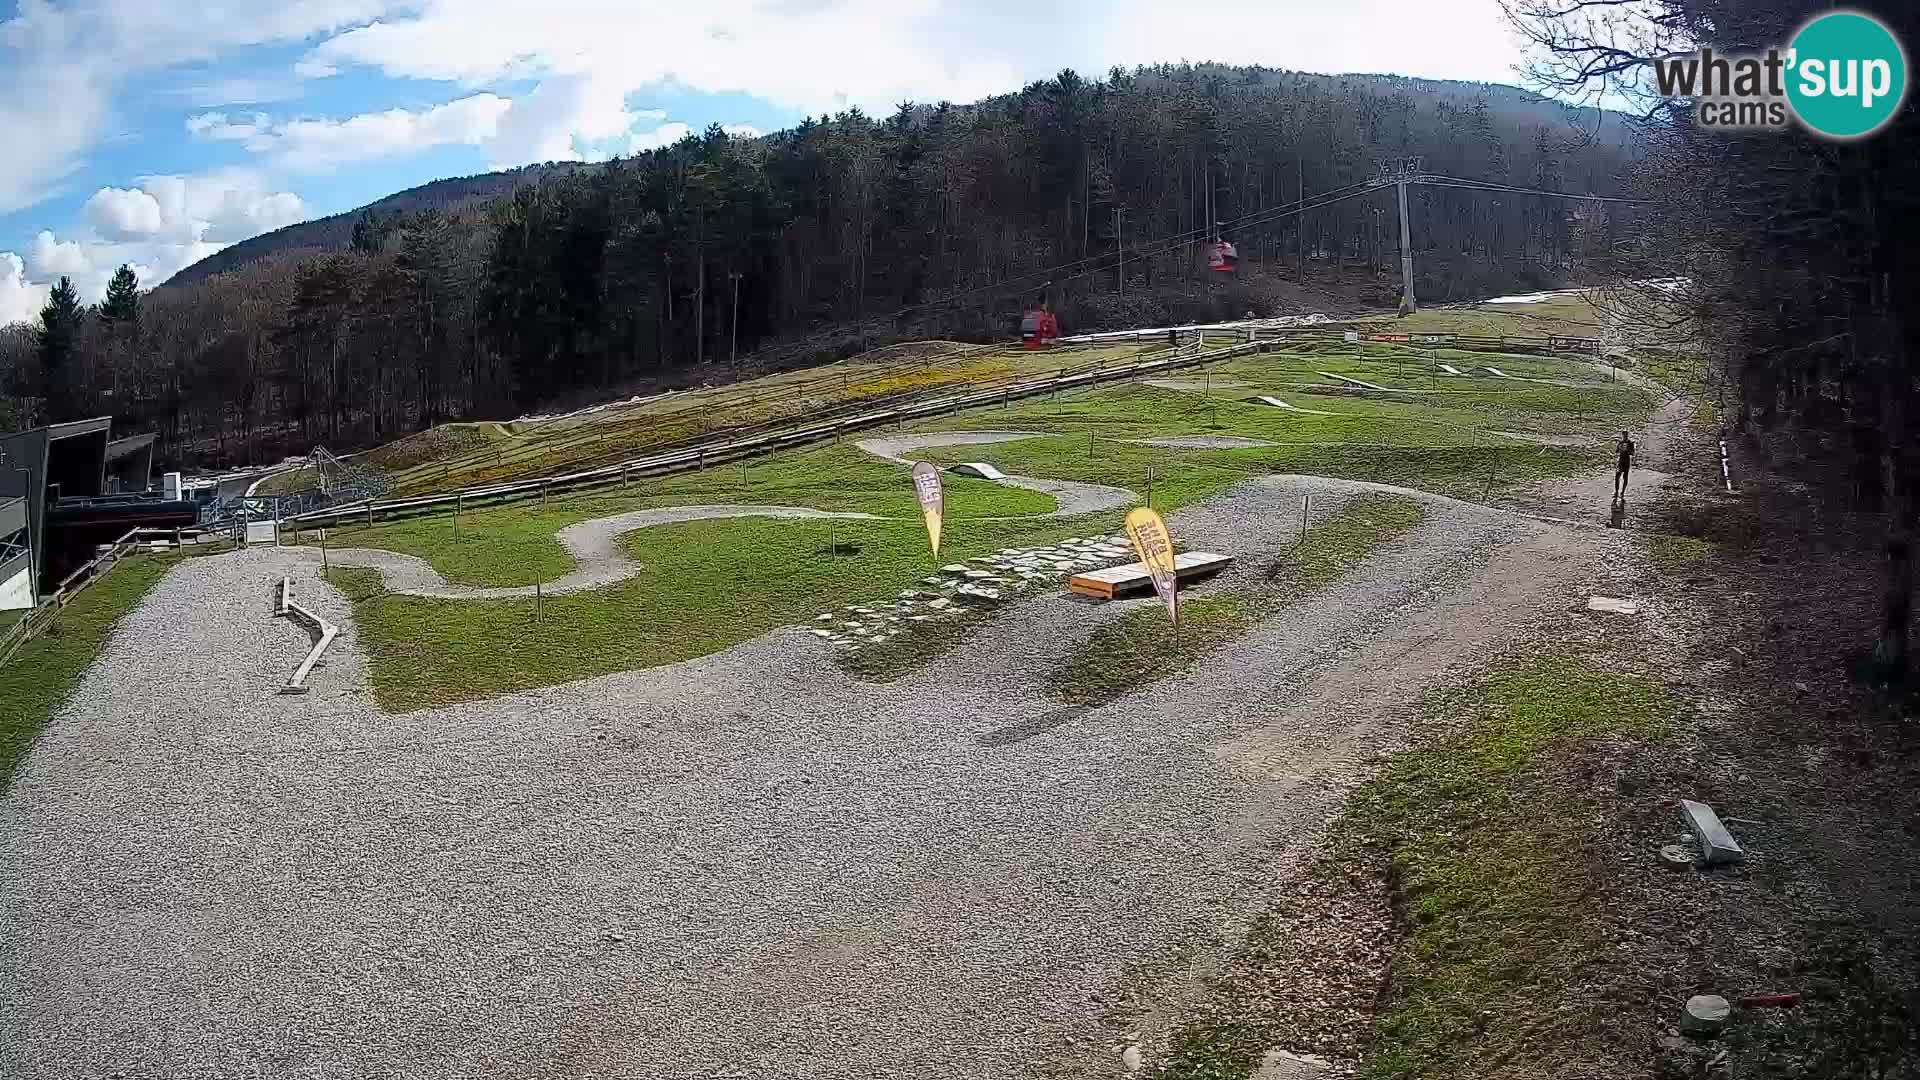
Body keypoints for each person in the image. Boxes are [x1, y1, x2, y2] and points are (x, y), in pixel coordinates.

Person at [1614, 430, 1635, 499]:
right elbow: (1616, 451)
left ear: (1627, 435)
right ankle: (1616, 491)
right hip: (1620, 461)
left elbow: (1632, 453)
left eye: (1625, 435)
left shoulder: (1630, 443)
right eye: (1623, 435)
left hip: (1626, 461)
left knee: (1625, 477)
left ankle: (1622, 492)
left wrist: (1628, 450)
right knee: (1617, 476)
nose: (1624, 437)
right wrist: (1618, 447)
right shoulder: (1620, 442)